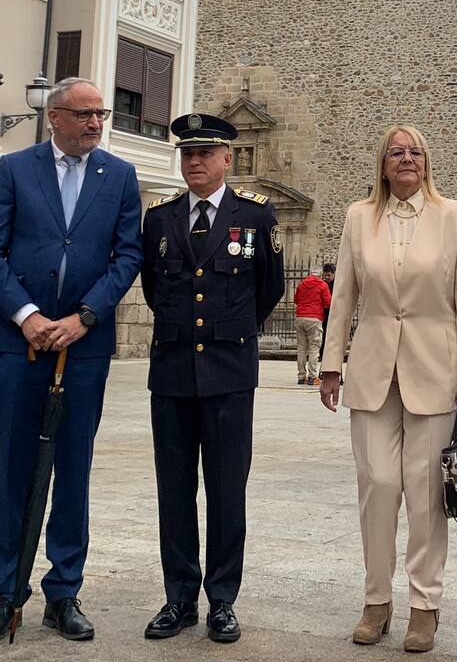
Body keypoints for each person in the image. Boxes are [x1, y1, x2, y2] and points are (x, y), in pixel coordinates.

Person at [0, 77, 142, 645]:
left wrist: (85, 316)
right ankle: (7, 592)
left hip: (83, 350)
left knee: (73, 469)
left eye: (102, 114)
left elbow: (127, 256)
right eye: (85, 114)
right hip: (20, 346)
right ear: (54, 118)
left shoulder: (118, 176)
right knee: (15, 469)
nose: (96, 123)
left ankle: (64, 592)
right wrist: (26, 315)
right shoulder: (14, 170)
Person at [319, 125, 457, 654]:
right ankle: (375, 600)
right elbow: (342, 295)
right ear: (382, 164)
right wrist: (330, 364)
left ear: (427, 162)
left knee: (425, 493)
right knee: (378, 486)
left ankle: (424, 606)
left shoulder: (454, 216)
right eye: (396, 152)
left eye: (415, 152)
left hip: (436, 370)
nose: (406, 159)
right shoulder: (357, 217)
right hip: (370, 371)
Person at [140, 114, 285, 645]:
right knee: (174, 491)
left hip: (228, 373)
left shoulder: (256, 216)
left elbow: (268, 290)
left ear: (228, 158)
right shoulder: (160, 218)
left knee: (227, 491)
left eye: (205, 153)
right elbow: (155, 289)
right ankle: (179, 596)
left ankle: (222, 599)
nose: (194, 162)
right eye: (187, 154)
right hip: (173, 372)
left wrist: (231, 332)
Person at [293, 266, 331, 385]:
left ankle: (301, 376)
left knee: (301, 348)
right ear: (320, 275)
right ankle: (312, 376)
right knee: (314, 348)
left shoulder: (301, 284)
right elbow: (328, 302)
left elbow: (296, 300)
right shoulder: (322, 285)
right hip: (314, 318)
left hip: (300, 317)